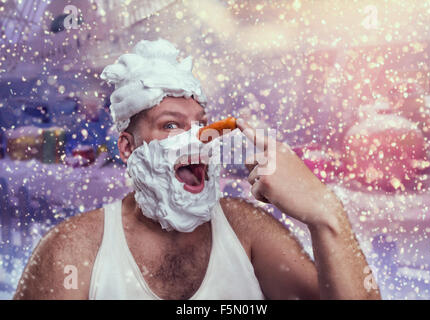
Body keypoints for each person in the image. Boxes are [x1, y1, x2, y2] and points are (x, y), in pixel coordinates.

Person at [14, 39, 380, 300]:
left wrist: (325, 211)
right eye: (171, 125)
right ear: (128, 148)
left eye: (201, 125)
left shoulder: (247, 232)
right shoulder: (74, 251)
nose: (197, 140)